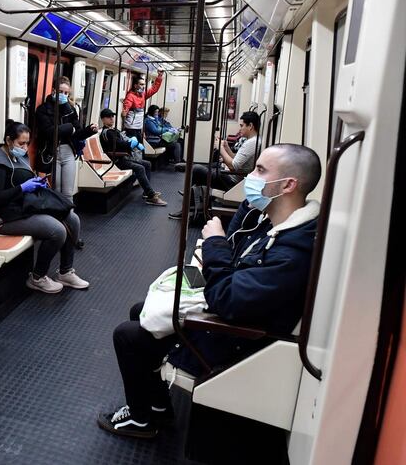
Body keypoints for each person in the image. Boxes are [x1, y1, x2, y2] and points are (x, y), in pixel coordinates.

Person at [98, 144, 322, 439]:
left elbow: (229, 300)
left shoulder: (292, 252)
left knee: (127, 335)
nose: (250, 177)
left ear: (288, 185)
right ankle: (157, 407)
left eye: (260, 171)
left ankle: (141, 420)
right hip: (237, 315)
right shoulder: (271, 223)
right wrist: (249, 208)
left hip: (238, 340)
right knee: (140, 311)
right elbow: (236, 255)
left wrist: (215, 243)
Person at [0, 120, 90, 294]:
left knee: (72, 219)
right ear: (8, 140)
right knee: (57, 230)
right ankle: (37, 277)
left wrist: (35, 184)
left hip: (24, 207)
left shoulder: (18, 156)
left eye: (26, 144)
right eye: (20, 143)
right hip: (5, 217)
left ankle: (65, 271)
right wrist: (23, 188)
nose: (24, 148)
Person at [168, 111, 260, 220]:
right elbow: (237, 159)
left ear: (250, 126)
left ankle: (186, 208)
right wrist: (226, 147)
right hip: (234, 176)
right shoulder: (253, 141)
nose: (240, 129)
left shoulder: (251, 143)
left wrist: (220, 149)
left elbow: (233, 166)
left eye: (242, 126)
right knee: (207, 168)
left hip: (233, 181)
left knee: (197, 170)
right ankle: (191, 196)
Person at [35, 76, 97, 202]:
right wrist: (69, 128)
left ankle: (69, 220)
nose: (63, 95)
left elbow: (77, 133)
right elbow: (49, 132)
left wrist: (89, 130)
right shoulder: (43, 110)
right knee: (57, 191)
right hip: (52, 154)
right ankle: (59, 220)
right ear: (53, 91)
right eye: (60, 92)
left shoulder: (70, 110)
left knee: (68, 192)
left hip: (68, 152)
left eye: (66, 93)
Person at [99, 109, 166, 206]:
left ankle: (146, 192)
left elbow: (122, 140)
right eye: (108, 117)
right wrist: (131, 143)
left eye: (112, 116)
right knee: (140, 168)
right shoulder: (107, 133)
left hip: (123, 157)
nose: (111, 118)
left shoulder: (113, 130)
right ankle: (151, 196)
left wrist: (130, 141)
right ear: (102, 119)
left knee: (147, 164)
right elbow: (120, 144)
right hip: (116, 160)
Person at [122, 72, 163, 140]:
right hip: (131, 128)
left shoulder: (143, 95)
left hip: (139, 127)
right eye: (141, 84)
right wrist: (125, 113)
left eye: (144, 84)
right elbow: (125, 110)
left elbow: (154, 89)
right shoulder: (130, 96)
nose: (143, 86)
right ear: (135, 86)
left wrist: (160, 76)